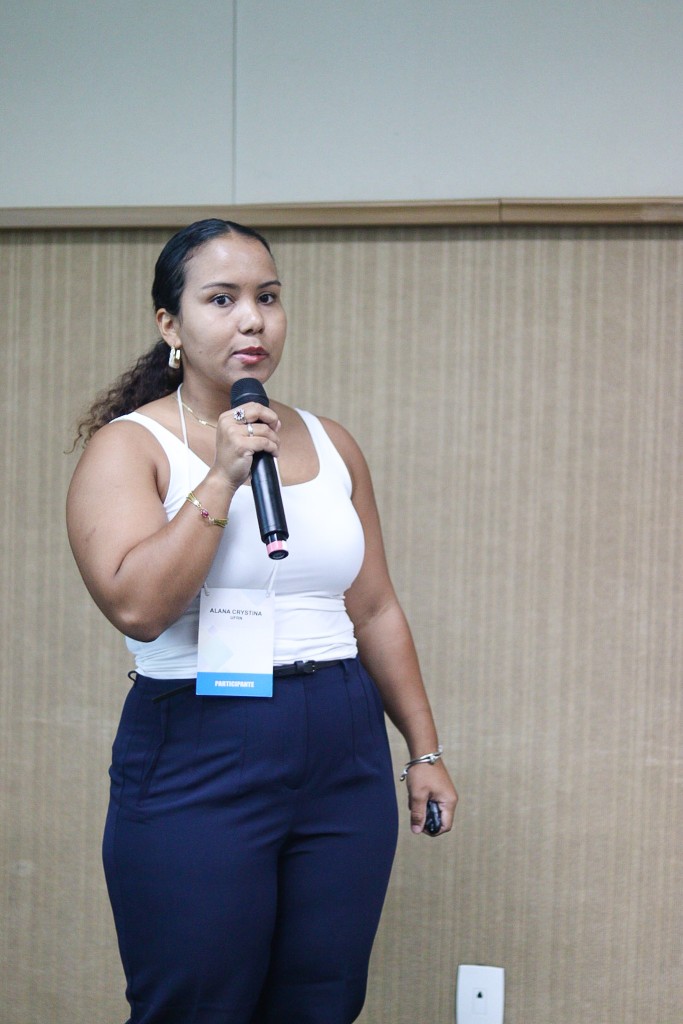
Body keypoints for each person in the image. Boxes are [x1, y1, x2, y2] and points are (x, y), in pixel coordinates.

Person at [66, 218, 458, 1024]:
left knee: (321, 1000)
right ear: (170, 324)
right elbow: (137, 608)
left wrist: (423, 751)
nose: (252, 319)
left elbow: (374, 606)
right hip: (199, 738)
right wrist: (220, 478)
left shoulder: (331, 442)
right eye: (222, 299)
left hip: (342, 742)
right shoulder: (130, 447)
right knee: (197, 1003)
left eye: (267, 298)